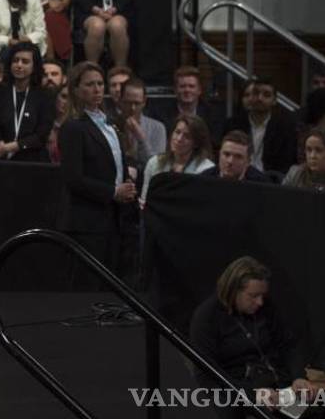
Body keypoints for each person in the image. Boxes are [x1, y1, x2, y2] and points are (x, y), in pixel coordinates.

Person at [190, 256, 320, 419]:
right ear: (233, 291)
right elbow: (206, 376)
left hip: (277, 387)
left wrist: (299, 377)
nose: (260, 302)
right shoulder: (206, 318)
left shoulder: (265, 307)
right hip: (240, 389)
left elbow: (288, 344)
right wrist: (251, 395)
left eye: (262, 296)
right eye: (253, 296)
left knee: (313, 414)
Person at [58, 61, 136, 275]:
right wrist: (113, 192)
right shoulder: (73, 127)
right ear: (76, 89)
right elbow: (73, 178)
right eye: (90, 84)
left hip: (112, 219)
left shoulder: (110, 123)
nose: (97, 89)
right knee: (87, 287)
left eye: (100, 84)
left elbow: (113, 163)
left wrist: (127, 179)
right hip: (86, 223)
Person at [0, 43, 54, 163]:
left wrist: (11, 147)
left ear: (34, 66)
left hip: (34, 161)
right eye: (15, 60)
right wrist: (2, 147)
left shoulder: (44, 96)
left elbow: (41, 135)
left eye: (25, 61)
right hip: (3, 160)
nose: (19, 65)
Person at [223, 77, 298, 175]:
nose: (259, 98)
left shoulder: (284, 127)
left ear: (274, 100)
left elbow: (286, 163)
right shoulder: (233, 124)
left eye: (266, 95)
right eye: (256, 93)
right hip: (238, 177)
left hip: (270, 181)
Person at [139, 115, 215, 206]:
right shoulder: (154, 163)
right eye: (177, 132)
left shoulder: (206, 169)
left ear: (196, 143)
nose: (179, 139)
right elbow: (145, 200)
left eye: (186, 136)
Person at [152, 65, 224, 144]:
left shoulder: (212, 114)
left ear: (199, 90)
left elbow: (213, 143)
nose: (187, 90)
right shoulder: (161, 114)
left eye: (191, 86)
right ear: (175, 90)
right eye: (182, 86)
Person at [117, 78, 167, 164]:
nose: (133, 108)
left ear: (144, 102)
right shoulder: (111, 125)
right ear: (120, 100)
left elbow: (157, 165)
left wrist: (140, 137)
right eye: (128, 103)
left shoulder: (158, 128)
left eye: (137, 103)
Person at [201, 131, 271, 183]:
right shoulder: (204, 178)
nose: (230, 161)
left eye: (238, 157)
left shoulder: (261, 183)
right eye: (226, 154)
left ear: (248, 162)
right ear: (219, 154)